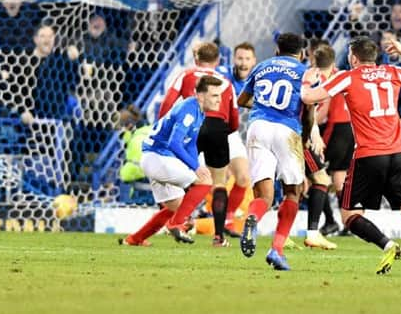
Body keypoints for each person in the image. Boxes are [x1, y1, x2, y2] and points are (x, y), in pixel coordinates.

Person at [301, 36, 401, 276]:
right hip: (398, 154)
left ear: (353, 57)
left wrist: (306, 81)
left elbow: (309, 98)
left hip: (368, 156)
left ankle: (387, 244)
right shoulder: (392, 72)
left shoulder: (346, 76)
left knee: (350, 216)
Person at [158, 42, 250, 247]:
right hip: (218, 128)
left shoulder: (186, 74)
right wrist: (224, 130)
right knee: (218, 183)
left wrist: (163, 126)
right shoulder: (225, 82)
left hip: (191, 126)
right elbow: (234, 117)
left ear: (196, 59)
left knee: (180, 175)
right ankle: (218, 237)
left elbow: (168, 102)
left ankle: (179, 221)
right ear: (217, 61)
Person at [237, 33, 316, 271]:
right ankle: (277, 249)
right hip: (288, 130)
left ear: (277, 50)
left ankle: (253, 219)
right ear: (301, 53)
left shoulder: (261, 66)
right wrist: (305, 139)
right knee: (293, 192)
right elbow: (310, 111)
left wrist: (263, 105)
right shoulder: (306, 73)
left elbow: (242, 100)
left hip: (257, 128)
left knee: (264, 196)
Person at [119, 76, 221, 246]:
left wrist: (197, 165)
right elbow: (174, 143)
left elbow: (191, 145)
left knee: (175, 207)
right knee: (205, 181)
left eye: (219, 95)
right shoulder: (189, 109)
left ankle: (134, 239)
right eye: (214, 95)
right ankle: (176, 225)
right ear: (201, 96)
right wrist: (195, 167)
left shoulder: (198, 111)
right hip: (158, 157)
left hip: (156, 158)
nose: (219, 100)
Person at [313, 44, 354, 238]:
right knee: (339, 176)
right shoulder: (344, 75)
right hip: (351, 128)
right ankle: (348, 222)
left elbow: (324, 108)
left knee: (314, 173)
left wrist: (311, 124)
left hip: (335, 129)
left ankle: (329, 221)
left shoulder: (321, 77)